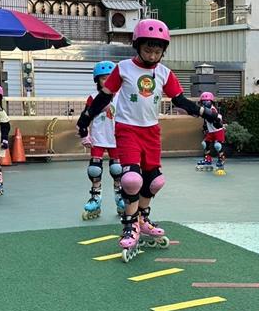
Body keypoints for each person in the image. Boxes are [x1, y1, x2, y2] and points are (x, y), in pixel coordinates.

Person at [76, 19, 221, 260]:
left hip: (151, 132)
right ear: (137, 46)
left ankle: (142, 219)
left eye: (157, 52)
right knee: (132, 179)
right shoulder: (123, 68)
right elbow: (104, 97)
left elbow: (180, 101)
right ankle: (130, 224)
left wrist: (206, 113)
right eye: (148, 50)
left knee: (155, 182)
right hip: (127, 130)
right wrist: (85, 119)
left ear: (163, 51)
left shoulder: (164, 73)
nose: (152, 56)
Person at [80, 61, 125, 220]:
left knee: (117, 169)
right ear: (97, 80)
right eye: (103, 78)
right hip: (98, 138)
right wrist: (84, 134)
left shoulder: (123, 96)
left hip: (117, 138)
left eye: (110, 78)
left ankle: (120, 197)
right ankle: (95, 199)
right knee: (95, 170)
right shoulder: (93, 98)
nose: (107, 81)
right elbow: (85, 117)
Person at [195, 91, 227, 174]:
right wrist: (205, 128)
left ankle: (221, 160)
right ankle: (208, 159)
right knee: (204, 144)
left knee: (218, 145)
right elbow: (205, 120)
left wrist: (218, 121)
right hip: (211, 132)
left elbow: (217, 118)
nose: (205, 103)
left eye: (207, 101)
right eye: (203, 102)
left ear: (211, 102)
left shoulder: (213, 110)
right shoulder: (205, 110)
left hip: (218, 131)